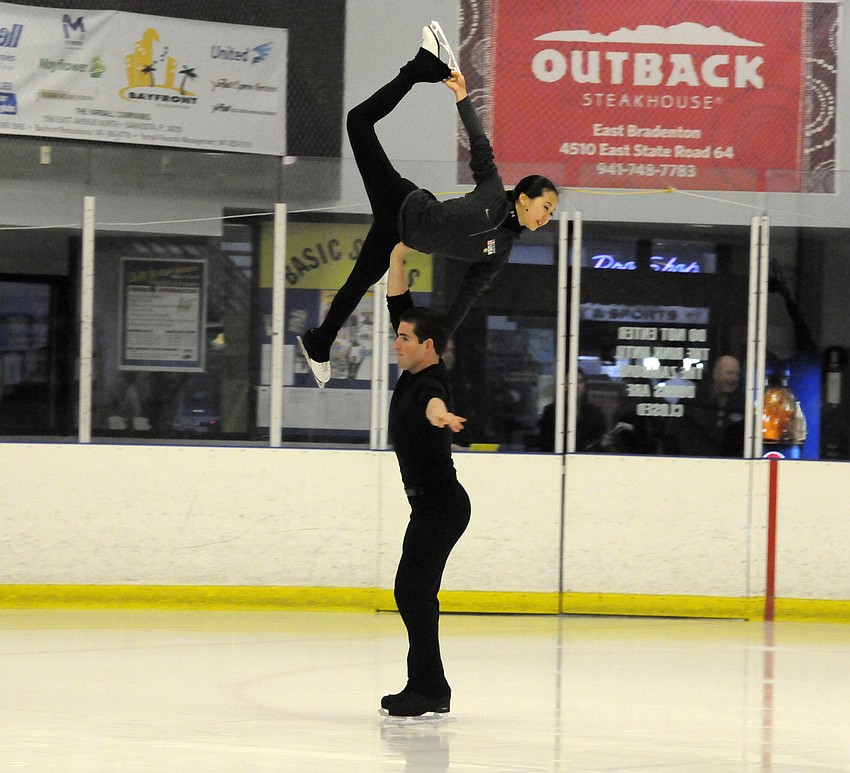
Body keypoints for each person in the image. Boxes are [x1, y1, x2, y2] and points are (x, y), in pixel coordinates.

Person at [297, 21, 559, 386]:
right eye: (546, 207)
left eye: (552, 213)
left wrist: (438, 342)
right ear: (525, 198)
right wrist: (463, 97)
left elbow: (466, 297)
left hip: (399, 234)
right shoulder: (493, 188)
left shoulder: (500, 250)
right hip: (404, 202)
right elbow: (479, 140)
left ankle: (320, 342)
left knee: (358, 284)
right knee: (358, 122)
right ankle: (418, 68)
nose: (548, 217)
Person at [380, 241, 470, 719]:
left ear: (427, 346)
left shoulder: (431, 383)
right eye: (397, 336)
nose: (396, 342)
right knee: (414, 591)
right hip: (432, 505)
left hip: (441, 506)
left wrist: (441, 418)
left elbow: (435, 403)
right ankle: (429, 687)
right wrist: (396, 259)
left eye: (405, 339)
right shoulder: (415, 364)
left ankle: (429, 688)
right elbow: (400, 301)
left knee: (412, 591)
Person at [663, 355, 746, 457]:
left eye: (737, 375)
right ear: (715, 374)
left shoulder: (743, 406)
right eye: (729, 373)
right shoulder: (691, 402)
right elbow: (672, 437)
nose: (734, 379)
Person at [537, 368, 608, 452]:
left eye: (580, 381)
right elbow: (545, 444)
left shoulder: (596, 413)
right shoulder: (551, 411)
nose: (576, 385)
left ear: (585, 385)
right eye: (570, 381)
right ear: (563, 385)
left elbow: (600, 444)